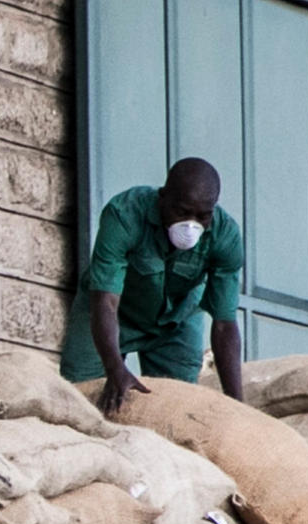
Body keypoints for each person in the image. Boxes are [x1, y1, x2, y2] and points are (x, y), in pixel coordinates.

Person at [84, 156, 248, 415]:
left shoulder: (225, 236)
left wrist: (238, 406)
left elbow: (224, 324)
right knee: (81, 397)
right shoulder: (124, 214)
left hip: (176, 322)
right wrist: (114, 368)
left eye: (202, 216)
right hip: (110, 313)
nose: (191, 224)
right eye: (182, 212)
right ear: (162, 198)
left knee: (174, 412)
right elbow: (105, 300)